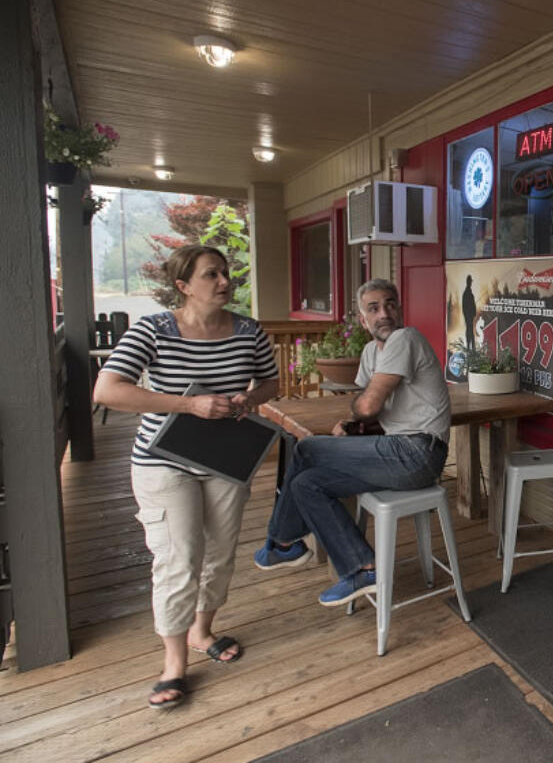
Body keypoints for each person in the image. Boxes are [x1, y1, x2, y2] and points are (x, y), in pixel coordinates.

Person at [93, 245, 280, 709]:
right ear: (183, 285)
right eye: (211, 275)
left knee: (219, 553)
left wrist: (249, 398)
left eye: (226, 274)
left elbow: (272, 383)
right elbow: (108, 390)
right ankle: (174, 663)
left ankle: (202, 631)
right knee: (180, 557)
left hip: (226, 460)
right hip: (164, 460)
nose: (224, 282)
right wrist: (187, 403)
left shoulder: (249, 332)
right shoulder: (153, 330)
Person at [254, 278, 450, 609]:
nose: (384, 313)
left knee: (306, 448)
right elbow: (368, 411)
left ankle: (283, 541)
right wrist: (352, 423)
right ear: (363, 320)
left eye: (390, 304)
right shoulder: (372, 351)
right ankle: (363, 568)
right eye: (373, 308)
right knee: (307, 483)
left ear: (400, 309)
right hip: (397, 453)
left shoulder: (406, 338)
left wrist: (357, 414)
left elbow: (368, 405)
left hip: (418, 453)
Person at [462, 274, 477, 350]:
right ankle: (470, 346)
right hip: (469, 316)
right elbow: (465, 306)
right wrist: (469, 314)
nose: (471, 283)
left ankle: (471, 346)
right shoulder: (467, 293)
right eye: (470, 281)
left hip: (469, 316)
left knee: (470, 330)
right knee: (469, 331)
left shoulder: (468, 292)